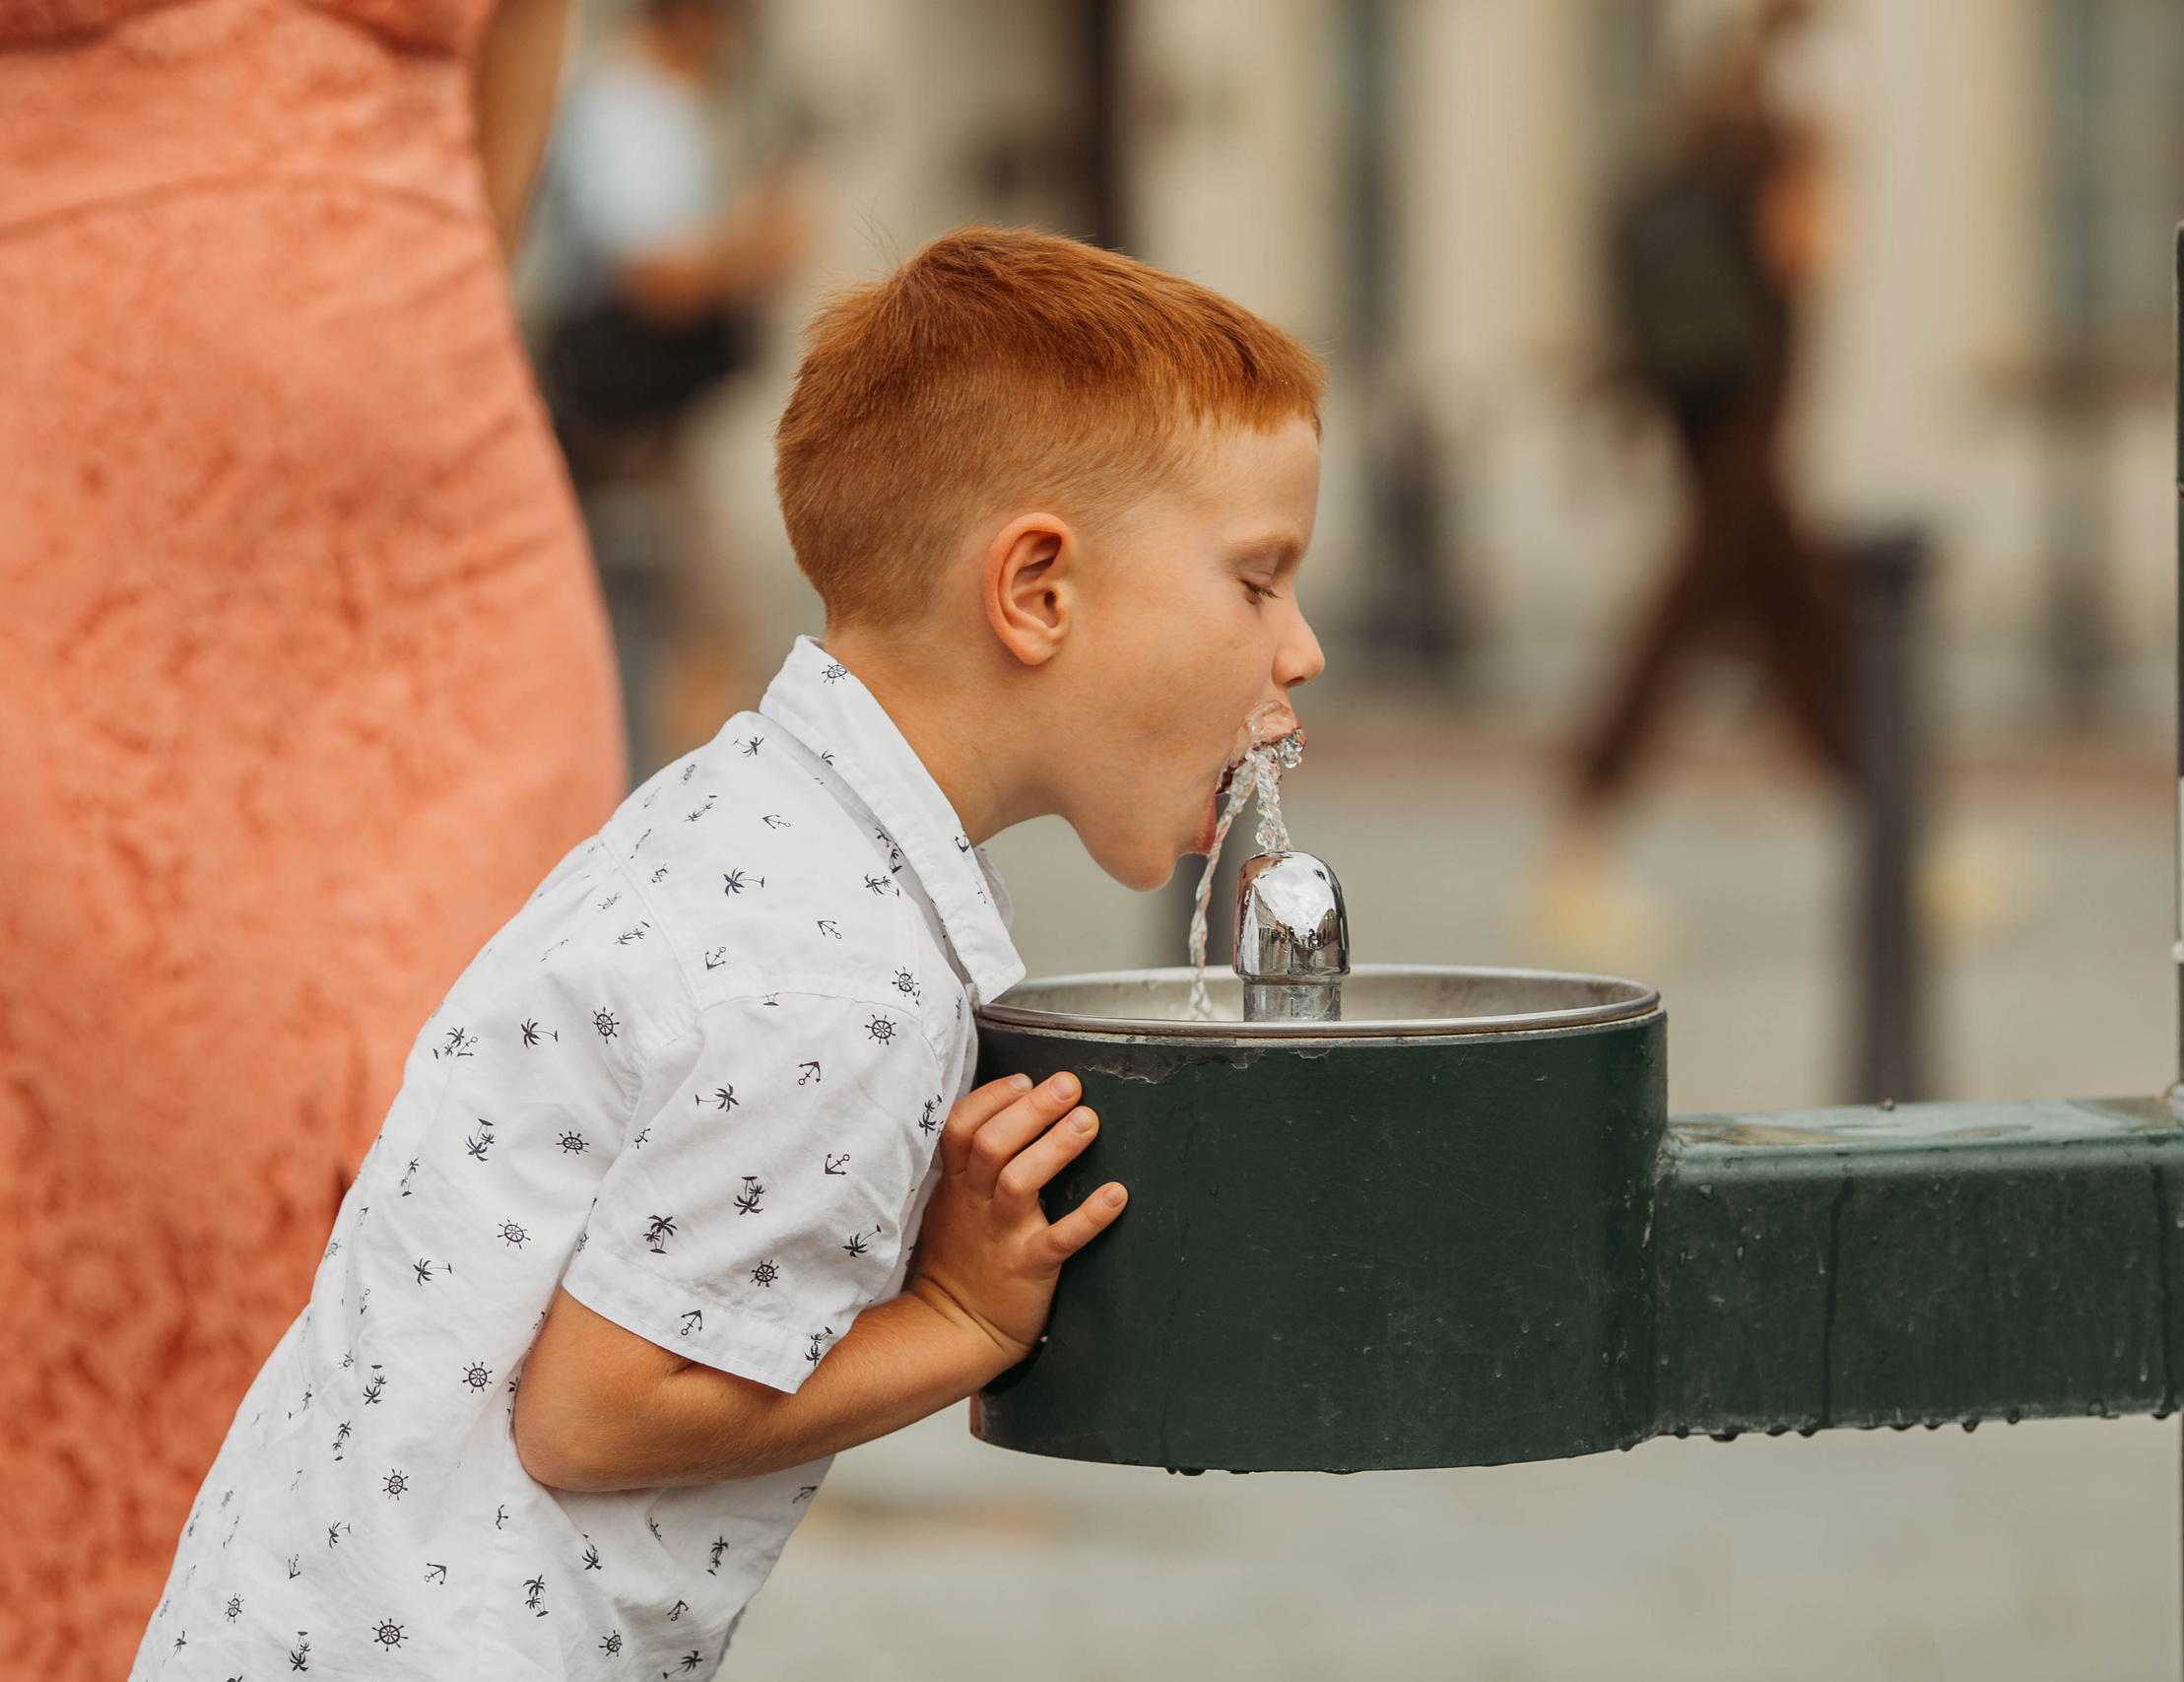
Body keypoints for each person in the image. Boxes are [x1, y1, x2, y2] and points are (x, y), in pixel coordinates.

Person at [131, 227, 1328, 1678]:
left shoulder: (748, 818)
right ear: (1036, 592)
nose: (1301, 648)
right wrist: (960, 1318)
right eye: (1258, 581)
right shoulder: (840, 976)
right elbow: (595, 1413)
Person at [0, 0, 622, 1675]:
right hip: (47, 561)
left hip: (438, 571)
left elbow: (498, 144)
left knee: (471, 1223)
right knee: (118, 1236)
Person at [1536, 0, 1843, 964]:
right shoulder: (1779, 125)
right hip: (1743, 411)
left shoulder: (1710, 125)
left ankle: (1903, 833)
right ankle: (1575, 847)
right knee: (1697, 604)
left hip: (1710, 404)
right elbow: (1799, 252)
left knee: (1797, 618)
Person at [534, 0, 806, 777]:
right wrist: (753, 250)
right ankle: (693, 801)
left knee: (699, 629)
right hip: (639, 418)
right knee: (709, 622)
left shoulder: (653, 101)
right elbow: (653, 273)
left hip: (665, 413)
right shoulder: (630, 106)